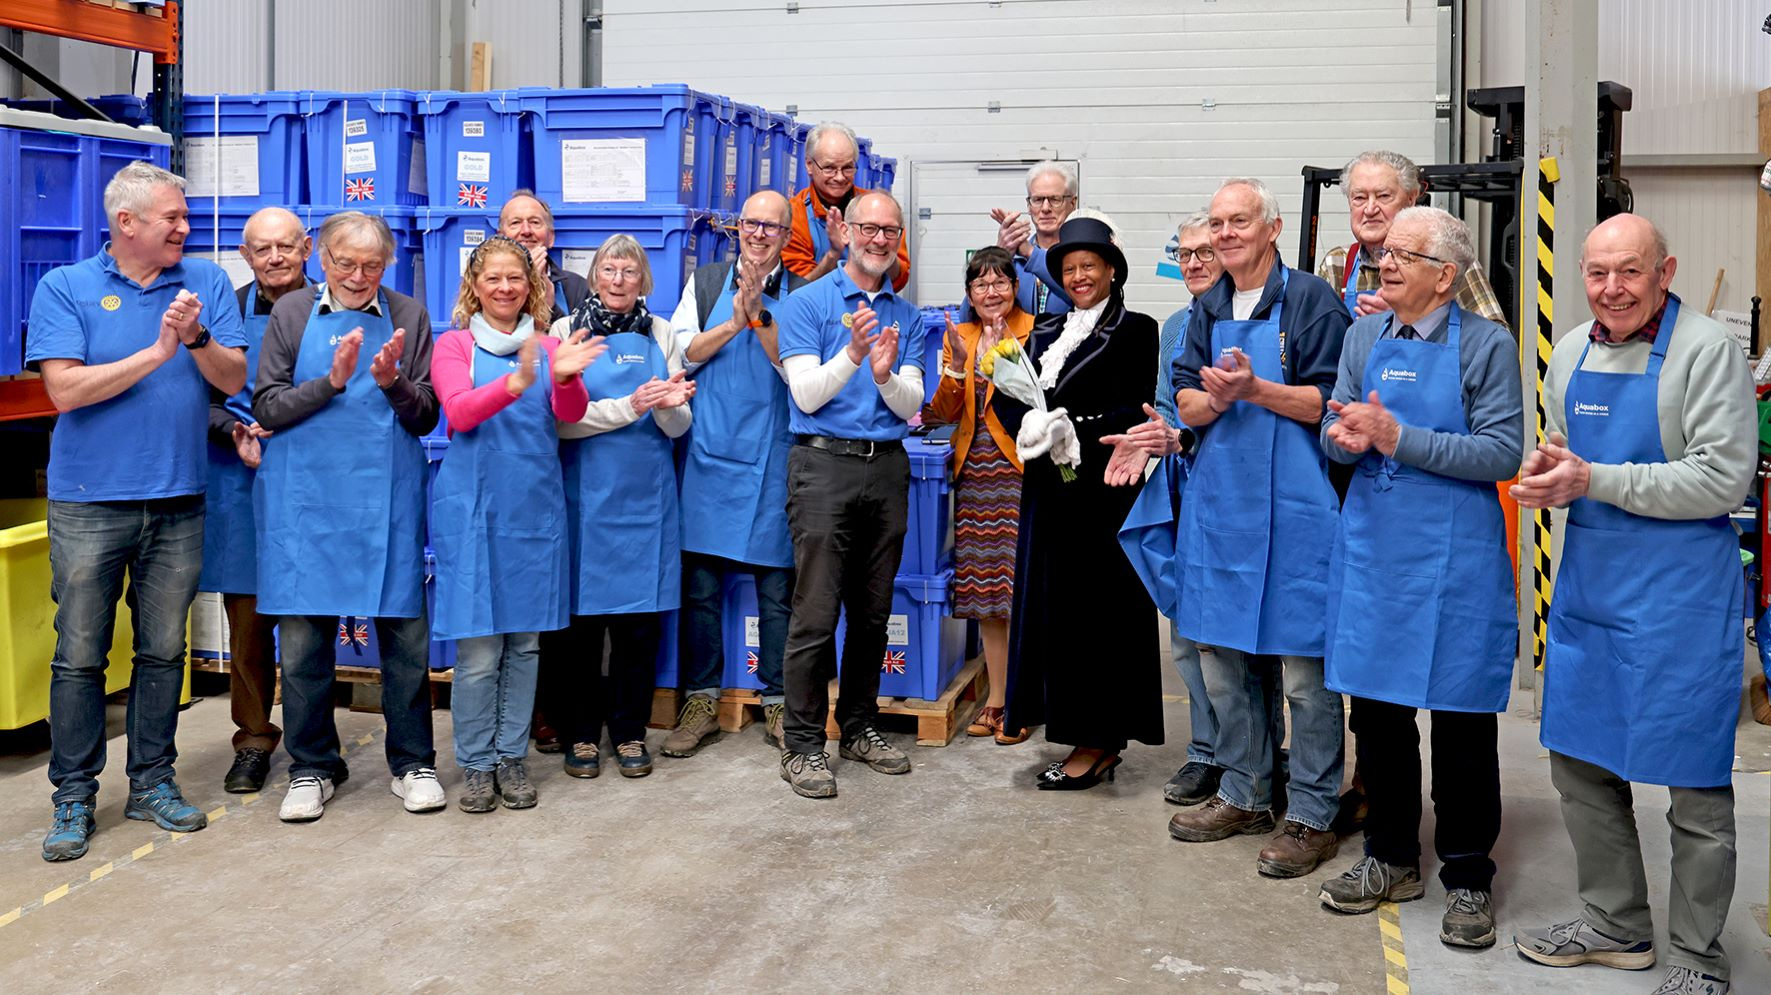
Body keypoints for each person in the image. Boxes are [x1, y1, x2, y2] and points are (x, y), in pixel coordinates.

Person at [1511, 214, 1755, 995]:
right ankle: (1615, 924)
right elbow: (1564, 452)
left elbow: (1722, 479)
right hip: (1592, 589)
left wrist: (1592, 480)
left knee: (1693, 784)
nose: (1610, 288)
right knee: (1579, 763)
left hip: (1681, 598)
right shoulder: (1572, 349)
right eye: (1595, 272)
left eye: (1628, 272)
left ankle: (1695, 955)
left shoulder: (1706, 351)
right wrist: (1549, 470)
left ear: (1664, 271)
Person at [1315, 207, 1522, 950]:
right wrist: (1341, 440)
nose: (1385, 263)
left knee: (1462, 723)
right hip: (1373, 556)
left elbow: (1501, 452)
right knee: (1377, 719)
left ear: (1445, 274)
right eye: (1384, 253)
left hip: (1453, 563)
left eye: (1404, 254)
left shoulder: (1487, 346)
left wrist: (1397, 437)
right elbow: (1333, 434)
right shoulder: (1362, 335)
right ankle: (1390, 858)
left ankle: (1466, 876)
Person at [30, 160, 249, 861]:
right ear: (126, 223)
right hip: (89, 501)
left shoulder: (207, 284)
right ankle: (73, 794)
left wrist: (195, 340)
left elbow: (234, 378)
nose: (186, 228)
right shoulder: (65, 287)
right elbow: (65, 391)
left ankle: (153, 779)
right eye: (173, 219)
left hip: (179, 496)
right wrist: (158, 352)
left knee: (162, 652)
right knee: (80, 654)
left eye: (185, 217)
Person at [1164, 177, 1352, 878]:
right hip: (1224, 511)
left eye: (1238, 220)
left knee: (1305, 677)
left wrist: (1254, 390)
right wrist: (1209, 402)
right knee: (1224, 662)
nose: (1225, 233)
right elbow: (1183, 395)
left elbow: (1334, 400)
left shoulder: (1307, 301)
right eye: (1217, 222)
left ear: (1271, 228)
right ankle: (1244, 792)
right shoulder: (1206, 305)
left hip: (1298, 511)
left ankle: (1310, 812)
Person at [254, 210, 445, 823]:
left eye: (372, 265)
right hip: (306, 503)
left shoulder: (409, 315)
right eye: (345, 263)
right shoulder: (289, 313)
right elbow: (269, 407)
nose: (359, 276)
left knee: (405, 642)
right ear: (321, 260)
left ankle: (413, 762)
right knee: (306, 646)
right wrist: (332, 382)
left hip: (384, 500)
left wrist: (390, 382)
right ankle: (312, 766)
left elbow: (424, 419)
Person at [430, 237, 600, 812]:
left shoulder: (549, 344)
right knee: (479, 650)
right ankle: (476, 764)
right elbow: (457, 411)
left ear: (532, 288)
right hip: (472, 509)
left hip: (533, 510)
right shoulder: (453, 345)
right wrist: (515, 382)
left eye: (516, 279)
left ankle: (511, 758)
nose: (506, 288)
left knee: (525, 645)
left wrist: (568, 377)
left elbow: (570, 414)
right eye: (494, 278)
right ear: (474, 287)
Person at [993, 216, 1162, 788]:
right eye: (1070, 269)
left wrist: (1074, 428)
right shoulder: (1042, 332)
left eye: (1090, 265)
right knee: (1057, 614)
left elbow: (1135, 408)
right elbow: (1004, 398)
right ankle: (1071, 729)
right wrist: (1033, 424)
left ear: (1111, 270)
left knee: (1100, 616)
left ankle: (1100, 741)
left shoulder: (1137, 329)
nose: (1080, 276)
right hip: (1049, 495)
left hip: (1105, 494)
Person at [775, 191, 926, 798]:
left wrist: (886, 375)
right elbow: (807, 394)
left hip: (886, 468)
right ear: (847, 231)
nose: (881, 239)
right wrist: (855, 354)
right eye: (870, 228)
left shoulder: (906, 316)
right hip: (822, 467)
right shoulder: (807, 302)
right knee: (814, 614)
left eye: (892, 230)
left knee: (872, 613)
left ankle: (860, 727)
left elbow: (913, 405)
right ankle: (805, 746)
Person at [666, 190, 809, 756]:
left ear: (786, 234)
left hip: (773, 456)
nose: (759, 233)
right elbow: (681, 355)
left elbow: (801, 373)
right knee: (700, 588)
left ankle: (777, 702)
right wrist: (734, 321)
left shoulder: (804, 294)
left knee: (778, 588)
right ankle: (699, 700)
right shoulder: (704, 285)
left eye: (772, 226)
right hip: (709, 456)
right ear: (737, 228)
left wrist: (762, 317)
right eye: (751, 223)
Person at [549, 235, 695, 780]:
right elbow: (563, 422)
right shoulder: (566, 332)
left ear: (644, 282)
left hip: (646, 502)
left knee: (639, 629)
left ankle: (630, 732)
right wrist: (632, 405)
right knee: (582, 631)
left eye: (628, 272)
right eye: (608, 269)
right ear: (593, 277)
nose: (617, 279)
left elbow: (678, 426)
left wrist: (668, 408)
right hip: (583, 500)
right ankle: (582, 735)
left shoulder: (661, 334)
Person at [1114, 210, 1228, 806]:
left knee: (1245, 644)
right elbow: (1164, 404)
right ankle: (1206, 752)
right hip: (1183, 488)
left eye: (1206, 251)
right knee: (1183, 630)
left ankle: (1256, 757)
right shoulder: (1175, 327)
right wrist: (1151, 439)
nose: (1194, 263)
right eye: (1184, 254)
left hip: (1238, 495)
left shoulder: (1251, 319)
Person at [202, 206, 313, 795]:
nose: (274, 258)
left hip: (314, 483)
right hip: (241, 482)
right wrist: (235, 433)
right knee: (247, 623)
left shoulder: (334, 308)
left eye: (286, 247)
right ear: (245, 256)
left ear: (308, 249)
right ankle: (252, 738)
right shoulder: (225, 316)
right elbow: (197, 400)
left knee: (308, 617)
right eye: (262, 249)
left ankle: (313, 744)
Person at [925, 246, 1033, 745]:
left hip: (1022, 471)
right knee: (989, 597)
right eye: (980, 284)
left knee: (1024, 592)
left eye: (1000, 282)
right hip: (976, 474)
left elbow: (1041, 398)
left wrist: (1009, 353)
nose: (991, 292)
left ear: (1015, 287)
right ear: (969, 294)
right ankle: (996, 700)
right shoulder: (959, 338)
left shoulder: (1036, 331)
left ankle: (1026, 700)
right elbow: (941, 414)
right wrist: (957, 367)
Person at [1317, 150, 1506, 326]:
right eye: (1359, 198)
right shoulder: (1337, 265)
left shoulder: (1445, 258)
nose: (1370, 209)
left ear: (1411, 198)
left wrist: (1411, 319)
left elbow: (1497, 341)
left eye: (1383, 196)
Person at [783, 121, 910, 290]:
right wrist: (833, 254)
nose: (840, 177)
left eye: (848, 168)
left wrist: (885, 248)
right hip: (819, 314)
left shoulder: (879, 207)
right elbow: (799, 291)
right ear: (809, 165)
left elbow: (900, 278)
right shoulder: (793, 216)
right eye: (829, 168)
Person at [990, 161, 1079, 317]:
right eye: (1037, 200)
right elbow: (967, 317)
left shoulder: (1085, 255)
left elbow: (1087, 300)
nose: (1045, 208)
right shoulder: (1012, 258)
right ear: (1029, 205)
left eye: (1055, 199)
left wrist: (1030, 253)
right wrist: (998, 257)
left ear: (1072, 203)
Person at [500, 189, 590, 325]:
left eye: (535, 222)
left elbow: (584, 343)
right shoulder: (488, 286)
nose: (526, 231)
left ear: (551, 237)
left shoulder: (576, 287)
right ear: (500, 238)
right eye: (515, 223)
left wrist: (551, 308)